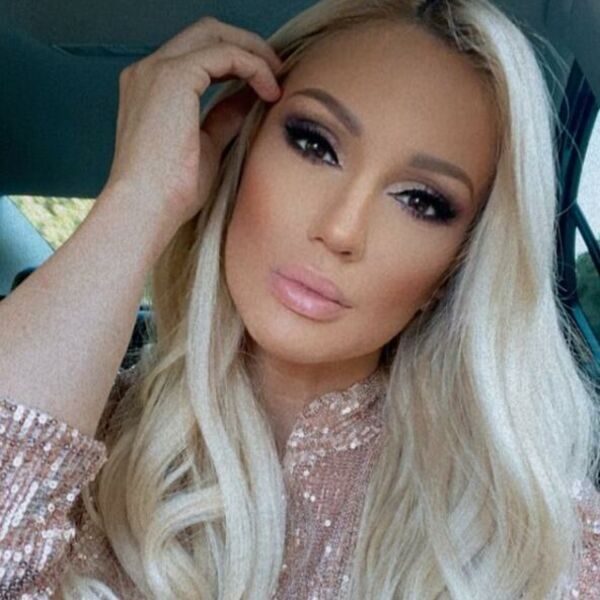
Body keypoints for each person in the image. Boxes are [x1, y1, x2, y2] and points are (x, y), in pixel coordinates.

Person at [0, 0, 598, 597]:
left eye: (421, 201)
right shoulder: (77, 446)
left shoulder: (533, 534)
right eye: (315, 145)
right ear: (242, 152)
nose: (341, 229)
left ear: (452, 271)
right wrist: (139, 196)